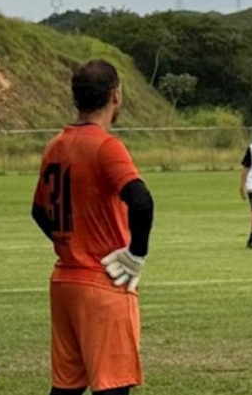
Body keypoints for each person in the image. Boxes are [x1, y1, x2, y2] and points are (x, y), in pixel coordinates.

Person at [31, 60, 155, 395]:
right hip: (103, 283)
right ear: (116, 96)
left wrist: (68, 243)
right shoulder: (106, 145)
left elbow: (38, 211)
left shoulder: (55, 144)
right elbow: (141, 200)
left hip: (65, 281)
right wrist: (136, 255)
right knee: (113, 388)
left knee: (66, 389)